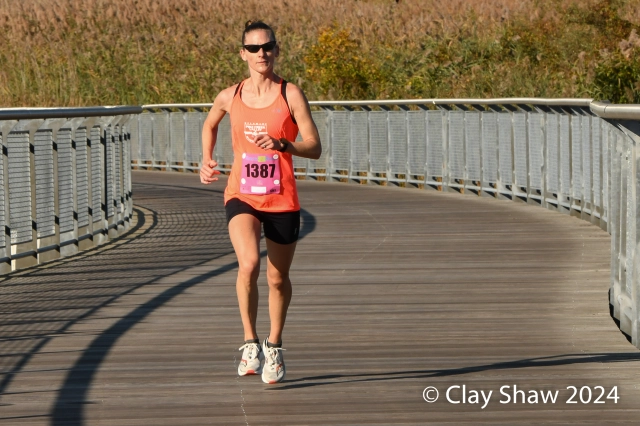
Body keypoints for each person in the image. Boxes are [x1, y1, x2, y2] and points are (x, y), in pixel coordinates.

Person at [199, 20, 321, 384]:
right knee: (249, 263)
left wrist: (284, 144)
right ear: (243, 54)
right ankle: (250, 342)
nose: (261, 53)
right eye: (253, 48)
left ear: (276, 50)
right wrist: (206, 159)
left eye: (267, 47)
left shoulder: (290, 94)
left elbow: (314, 147)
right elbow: (210, 124)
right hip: (242, 195)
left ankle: (275, 345)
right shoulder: (230, 96)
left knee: (277, 278)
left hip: (282, 199)